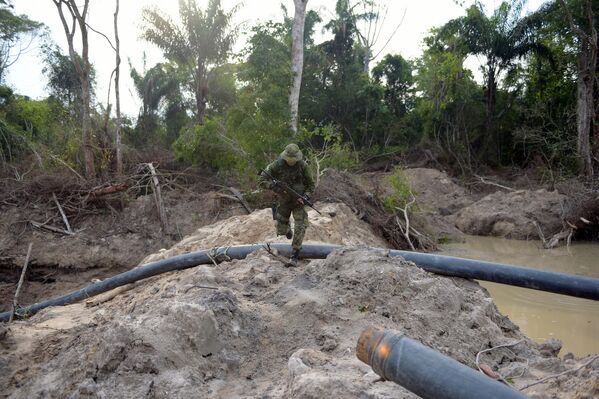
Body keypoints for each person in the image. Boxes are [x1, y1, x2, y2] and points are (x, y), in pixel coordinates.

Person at [259, 143, 315, 266]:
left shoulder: (303, 167)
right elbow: (262, 180)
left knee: (301, 225)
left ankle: (295, 254)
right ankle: (287, 228)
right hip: (283, 200)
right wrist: (272, 186)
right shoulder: (276, 165)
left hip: (298, 201)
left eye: (293, 159)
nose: (291, 161)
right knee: (281, 229)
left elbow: (311, 185)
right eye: (289, 159)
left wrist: (305, 197)